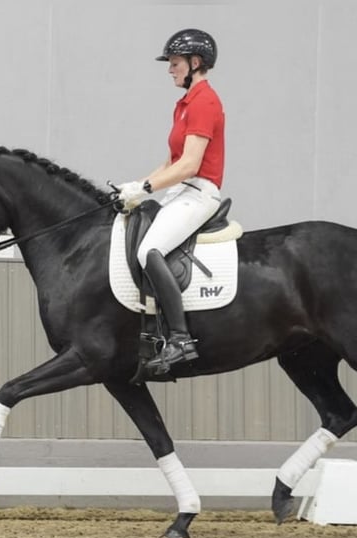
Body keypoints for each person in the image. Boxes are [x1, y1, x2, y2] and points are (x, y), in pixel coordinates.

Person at [117, 28, 225, 374]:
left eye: (175, 63)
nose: (170, 70)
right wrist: (136, 186)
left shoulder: (205, 101)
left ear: (196, 63)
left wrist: (147, 188)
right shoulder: (184, 104)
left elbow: (191, 164)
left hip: (199, 191)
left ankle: (180, 338)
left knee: (149, 251)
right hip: (181, 191)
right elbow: (170, 162)